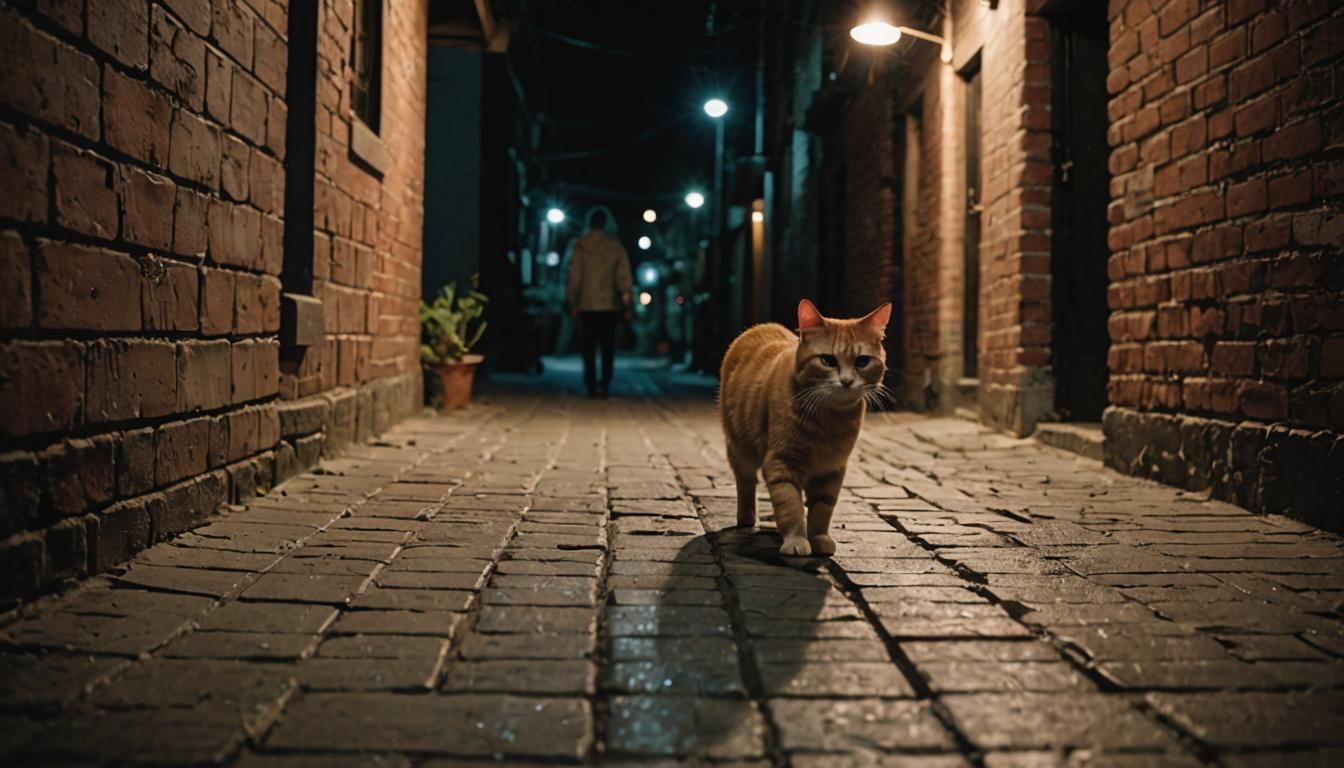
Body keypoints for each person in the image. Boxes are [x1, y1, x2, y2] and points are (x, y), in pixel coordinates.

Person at [566, 208, 633, 398]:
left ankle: (590, 384)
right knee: (608, 346)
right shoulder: (615, 246)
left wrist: (572, 301)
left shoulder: (580, 245)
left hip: (587, 305)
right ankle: (605, 382)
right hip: (610, 306)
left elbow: (575, 275)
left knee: (588, 347)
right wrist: (627, 302)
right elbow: (623, 277)